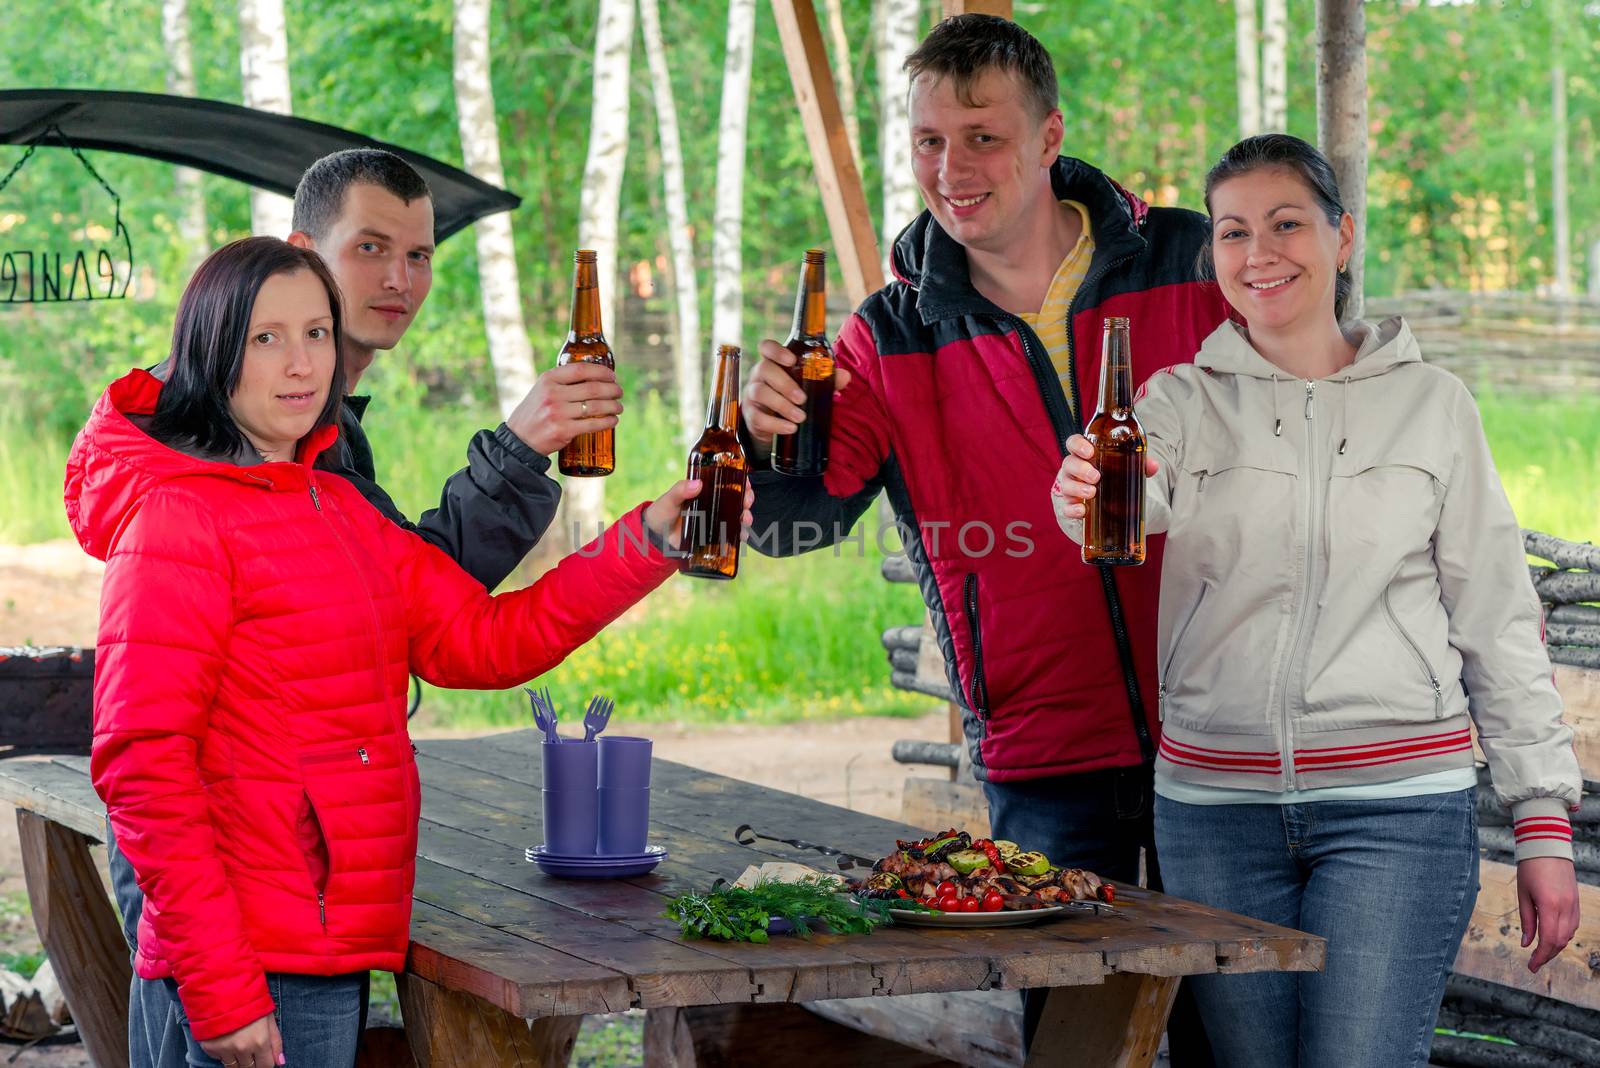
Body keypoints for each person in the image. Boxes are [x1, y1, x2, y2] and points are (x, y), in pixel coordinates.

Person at [65, 237, 735, 1068]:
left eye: (316, 333)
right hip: (249, 956)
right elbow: (142, 764)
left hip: (323, 939)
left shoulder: (339, 507)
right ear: (212, 353)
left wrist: (647, 540)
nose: (300, 363)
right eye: (265, 338)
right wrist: (222, 988)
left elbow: (481, 643)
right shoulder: (177, 522)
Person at [739, 14, 1226, 1056]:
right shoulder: (886, 331)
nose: (950, 170)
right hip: (1043, 753)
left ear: (1049, 139)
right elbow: (797, 525)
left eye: (981, 137)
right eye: (926, 141)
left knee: (1232, 1036)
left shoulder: (1189, 257)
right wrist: (765, 434)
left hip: (1221, 736)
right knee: (1072, 1046)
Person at [1050, 133, 1582, 1067]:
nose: (1260, 253)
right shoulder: (1176, 401)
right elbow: (1134, 493)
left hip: (1398, 809)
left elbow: (1497, 614)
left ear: (1342, 236)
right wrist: (1081, 492)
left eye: (1287, 223)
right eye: (1233, 231)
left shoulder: (1432, 405)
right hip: (1214, 812)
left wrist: (1541, 817)